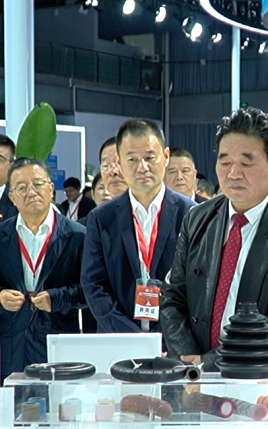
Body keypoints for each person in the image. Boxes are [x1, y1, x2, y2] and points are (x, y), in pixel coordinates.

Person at [162, 107, 268, 370]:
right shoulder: (197, 219)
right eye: (225, 162)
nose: (233, 174)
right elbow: (173, 297)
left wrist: (211, 363)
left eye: (246, 163)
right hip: (195, 378)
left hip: (265, 379)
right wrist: (189, 361)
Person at [83, 118, 196, 334]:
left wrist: (167, 335)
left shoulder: (191, 214)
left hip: (175, 340)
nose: (142, 167)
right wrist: (129, 337)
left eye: (150, 158)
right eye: (132, 159)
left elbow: (198, 285)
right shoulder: (101, 218)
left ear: (165, 157)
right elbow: (94, 284)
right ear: (119, 162)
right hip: (117, 339)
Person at [0, 158, 87, 375]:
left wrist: (57, 298)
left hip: (58, 340)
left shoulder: (78, 235)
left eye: (38, 184)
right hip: (10, 343)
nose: (31, 192)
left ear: (51, 190)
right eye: (22, 188)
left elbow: (90, 290)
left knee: (59, 396)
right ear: (12, 197)